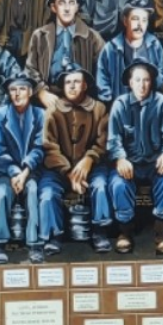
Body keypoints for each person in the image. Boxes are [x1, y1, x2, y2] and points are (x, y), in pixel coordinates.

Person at [103, 59, 163, 256]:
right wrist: (120, 158)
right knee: (118, 184)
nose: (142, 85)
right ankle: (125, 232)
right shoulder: (120, 105)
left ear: (152, 82)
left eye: (146, 80)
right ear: (130, 83)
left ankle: (162, 233)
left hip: (154, 162)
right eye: (137, 80)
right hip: (129, 163)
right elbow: (113, 140)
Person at [41, 61, 107, 252]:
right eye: (68, 82)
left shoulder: (99, 109)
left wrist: (89, 159)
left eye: (77, 82)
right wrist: (68, 171)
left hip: (91, 166)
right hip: (58, 169)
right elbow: (49, 146)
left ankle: (100, 231)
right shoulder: (53, 111)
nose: (72, 86)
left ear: (85, 85)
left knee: (100, 186)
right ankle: (54, 235)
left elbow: (103, 142)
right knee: (47, 194)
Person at [0, 71, 46, 263]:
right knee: (1, 194)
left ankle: (34, 244)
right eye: (13, 90)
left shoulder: (40, 115)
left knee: (33, 190)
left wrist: (25, 172)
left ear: (30, 92)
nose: (17, 94)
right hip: (4, 171)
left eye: (22, 89)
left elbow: (39, 148)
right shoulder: (0, 115)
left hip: (31, 171)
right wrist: (14, 172)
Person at [25, 0, 103, 105]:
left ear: (77, 7)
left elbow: (104, 70)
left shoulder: (92, 37)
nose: (67, 8)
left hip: (82, 99)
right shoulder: (40, 36)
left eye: (71, 3)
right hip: (50, 98)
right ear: (53, 7)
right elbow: (30, 69)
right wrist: (41, 92)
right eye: (62, 3)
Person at [95, 1, 163, 103]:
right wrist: (111, 104)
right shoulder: (111, 48)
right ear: (125, 21)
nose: (140, 25)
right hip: (120, 106)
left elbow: (162, 79)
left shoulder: (154, 46)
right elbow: (102, 81)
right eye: (135, 19)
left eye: (144, 20)